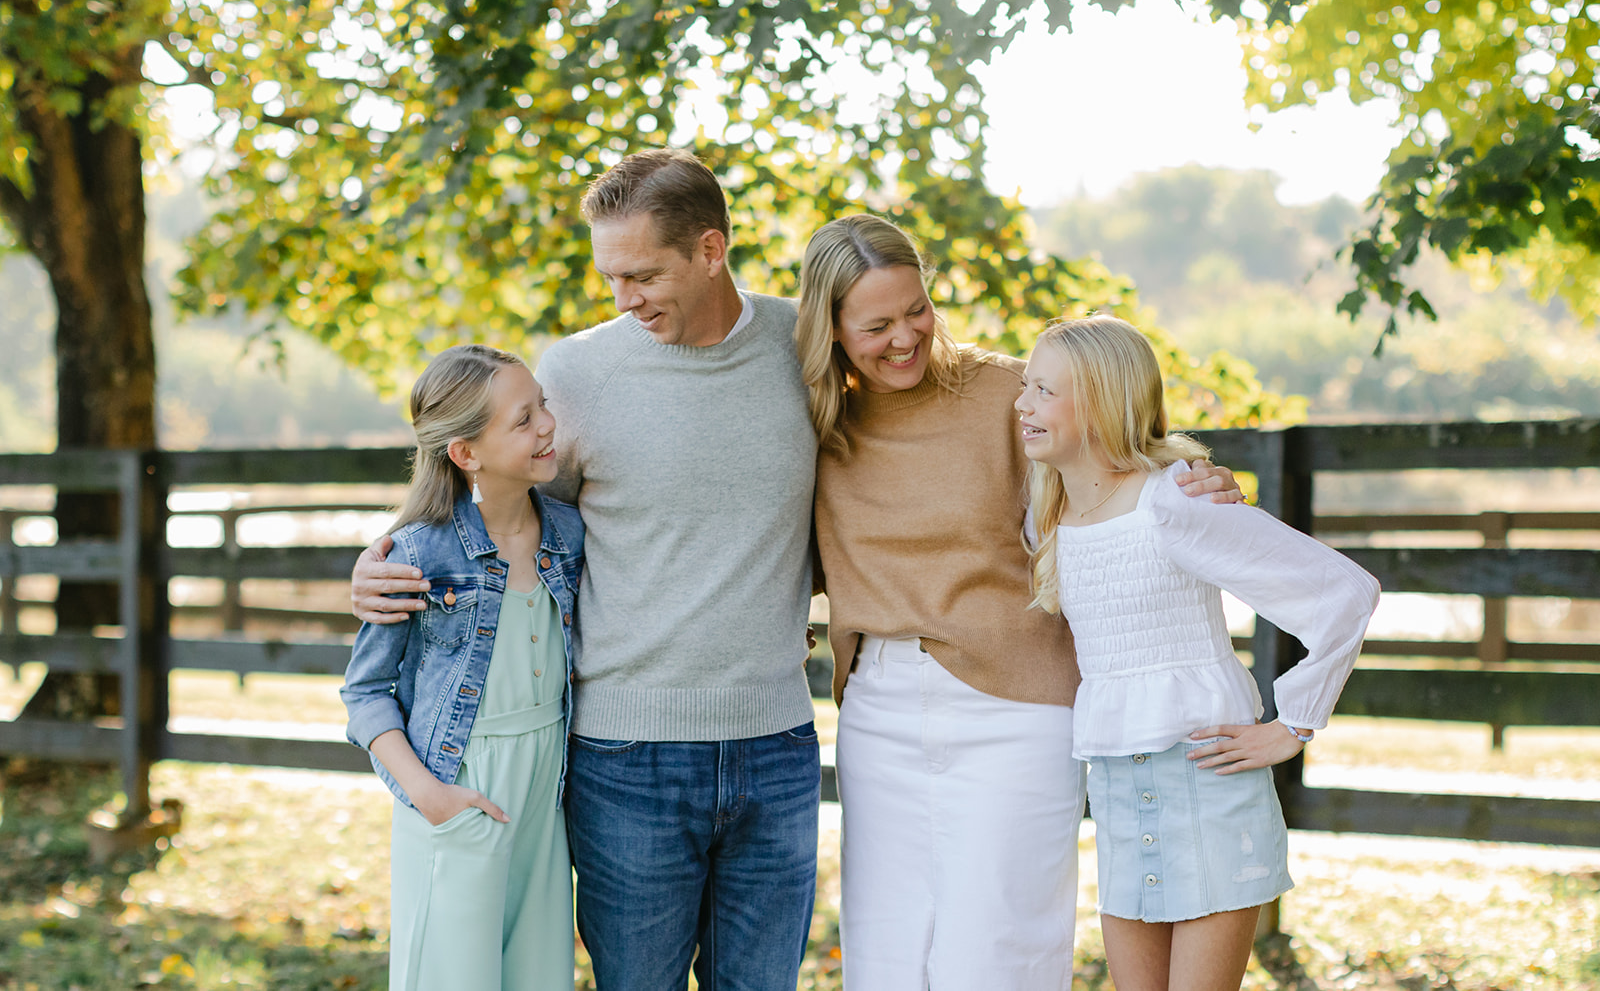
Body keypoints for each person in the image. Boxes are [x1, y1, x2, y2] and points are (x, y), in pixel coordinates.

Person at [350, 150, 821, 991]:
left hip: (777, 744)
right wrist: (381, 559)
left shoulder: (804, 346)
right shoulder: (576, 372)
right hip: (627, 754)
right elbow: (494, 511)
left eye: (641, 274)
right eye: (610, 277)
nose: (623, 299)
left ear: (711, 251)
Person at [793, 214, 1242, 989]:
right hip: (877, 710)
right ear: (830, 328)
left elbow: (1122, 456)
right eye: (876, 324)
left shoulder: (1007, 391)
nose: (905, 337)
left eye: (917, 311)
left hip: (1017, 706)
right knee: (885, 954)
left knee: (999, 952)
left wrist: (1200, 480)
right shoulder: (814, 417)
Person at [1016, 315, 1380, 991]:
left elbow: (1345, 593)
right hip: (1120, 791)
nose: (1022, 403)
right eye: (1025, 386)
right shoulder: (1051, 514)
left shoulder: (1176, 503)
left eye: (1043, 389)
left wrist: (1293, 723)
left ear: (1099, 403)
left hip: (1207, 782)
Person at [340, 344, 584, 991]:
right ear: (466, 452)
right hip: (459, 786)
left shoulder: (570, 533)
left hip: (544, 797)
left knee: (538, 978)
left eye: (544, 407)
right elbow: (365, 693)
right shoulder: (417, 551)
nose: (547, 426)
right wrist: (431, 796)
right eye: (523, 418)